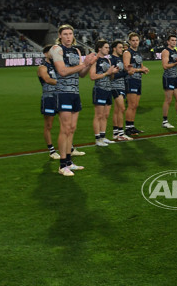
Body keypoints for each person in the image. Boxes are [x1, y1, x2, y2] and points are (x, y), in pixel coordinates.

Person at [50, 24, 97, 176]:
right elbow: (62, 71)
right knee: (65, 128)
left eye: (70, 34)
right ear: (60, 35)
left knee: (72, 128)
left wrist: (89, 64)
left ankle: (69, 162)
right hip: (62, 92)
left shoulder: (76, 50)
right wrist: (84, 64)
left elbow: (82, 74)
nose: (68, 36)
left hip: (75, 93)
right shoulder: (56, 49)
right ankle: (62, 165)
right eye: (65, 34)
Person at [90, 39, 119, 147]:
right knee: (98, 115)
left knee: (105, 115)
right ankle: (97, 139)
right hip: (100, 89)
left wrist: (113, 73)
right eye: (106, 47)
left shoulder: (108, 61)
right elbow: (92, 76)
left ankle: (103, 136)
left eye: (108, 47)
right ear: (99, 48)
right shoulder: (95, 60)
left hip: (108, 89)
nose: (108, 49)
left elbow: (110, 77)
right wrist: (107, 73)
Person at [123, 32, 149, 136]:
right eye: (133, 40)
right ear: (129, 41)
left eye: (137, 40)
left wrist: (144, 69)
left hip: (138, 80)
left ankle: (132, 126)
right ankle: (128, 127)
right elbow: (127, 68)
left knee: (135, 105)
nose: (135, 42)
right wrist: (140, 70)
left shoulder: (138, 53)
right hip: (131, 80)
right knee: (131, 105)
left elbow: (140, 66)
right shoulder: (127, 53)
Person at [37, 44, 60, 160]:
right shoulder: (42, 67)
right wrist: (63, 83)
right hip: (49, 97)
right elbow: (47, 79)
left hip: (60, 96)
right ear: (46, 54)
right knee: (48, 125)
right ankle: (51, 150)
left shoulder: (58, 66)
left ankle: (69, 147)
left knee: (66, 124)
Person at [109, 40, 132, 141]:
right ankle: (121, 133)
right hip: (115, 86)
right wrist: (126, 73)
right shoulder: (112, 59)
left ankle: (116, 133)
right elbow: (112, 75)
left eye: (122, 47)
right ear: (114, 48)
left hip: (121, 85)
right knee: (122, 108)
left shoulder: (119, 58)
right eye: (120, 47)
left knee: (117, 109)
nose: (122, 49)